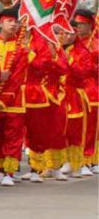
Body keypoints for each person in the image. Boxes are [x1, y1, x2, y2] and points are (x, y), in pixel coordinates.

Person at [0, 9, 30, 185]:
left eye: (16, 21)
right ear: (0, 23)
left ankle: (10, 173)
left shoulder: (22, 50)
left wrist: (4, 100)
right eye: (9, 21)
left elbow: (18, 77)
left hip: (14, 101)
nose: (13, 24)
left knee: (13, 136)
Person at [24, 20, 66, 181]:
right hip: (28, 93)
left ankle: (55, 166)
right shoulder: (20, 42)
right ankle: (36, 167)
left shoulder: (53, 47)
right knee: (32, 131)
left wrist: (53, 56)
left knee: (54, 131)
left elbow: (59, 67)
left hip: (52, 94)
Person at [67, 9, 97, 175]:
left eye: (82, 24)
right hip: (73, 91)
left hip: (92, 89)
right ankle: (73, 159)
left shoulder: (96, 43)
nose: (79, 27)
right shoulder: (70, 43)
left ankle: (91, 158)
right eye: (77, 24)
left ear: (90, 25)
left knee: (92, 127)